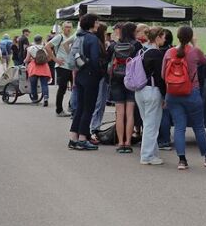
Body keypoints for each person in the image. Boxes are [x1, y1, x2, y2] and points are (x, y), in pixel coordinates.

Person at [162, 25, 206, 170]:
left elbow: (162, 75)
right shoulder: (194, 52)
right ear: (191, 37)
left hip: (172, 94)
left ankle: (182, 160)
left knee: (179, 127)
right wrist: (195, 44)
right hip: (191, 92)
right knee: (198, 126)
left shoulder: (169, 52)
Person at [133, 27, 168, 165]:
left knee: (147, 122)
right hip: (152, 90)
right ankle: (147, 155)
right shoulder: (157, 54)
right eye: (163, 37)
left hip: (139, 90)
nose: (164, 39)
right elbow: (160, 78)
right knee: (151, 124)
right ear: (158, 37)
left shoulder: (141, 51)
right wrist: (165, 95)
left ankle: (152, 153)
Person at [68, 14, 102, 150]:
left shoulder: (79, 36)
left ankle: (73, 138)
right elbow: (95, 60)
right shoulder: (92, 39)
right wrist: (100, 72)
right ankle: (82, 138)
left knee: (80, 108)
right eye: (97, 22)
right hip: (90, 76)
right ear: (92, 23)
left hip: (80, 74)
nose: (98, 24)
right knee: (89, 108)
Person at [106, 22, 140, 154]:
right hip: (131, 80)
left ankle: (120, 143)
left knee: (119, 113)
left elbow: (106, 60)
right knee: (130, 113)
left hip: (116, 80)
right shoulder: (136, 45)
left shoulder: (114, 45)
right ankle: (128, 143)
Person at [48, 22, 75, 117]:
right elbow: (47, 46)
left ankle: (72, 107)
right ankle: (59, 110)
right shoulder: (60, 37)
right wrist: (55, 59)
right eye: (66, 27)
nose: (68, 29)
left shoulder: (71, 37)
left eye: (70, 27)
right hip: (62, 66)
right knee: (62, 89)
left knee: (74, 88)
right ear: (63, 28)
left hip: (70, 66)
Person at [24, 35, 52, 105]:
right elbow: (50, 58)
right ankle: (45, 98)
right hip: (44, 68)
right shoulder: (45, 48)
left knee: (33, 85)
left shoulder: (30, 48)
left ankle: (35, 100)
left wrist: (25, 61)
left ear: (34, 40)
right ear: (41, 40)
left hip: (34, 68)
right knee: (44, 84)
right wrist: (45, 61)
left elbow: (27, 59)